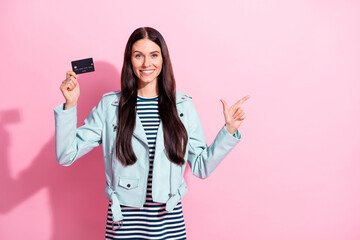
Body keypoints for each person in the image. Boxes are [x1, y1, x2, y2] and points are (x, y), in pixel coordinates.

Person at [54, 27, 250, 240]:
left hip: (169, 228)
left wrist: (229, 131)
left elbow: (202, 167)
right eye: (139, 56)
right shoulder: (110, 106)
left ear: (163, 59)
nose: (147, 63)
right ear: (129, 61)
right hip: (123, 229)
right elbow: (66, 154)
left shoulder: (182, 106)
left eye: (154, 55)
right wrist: (70, 105)